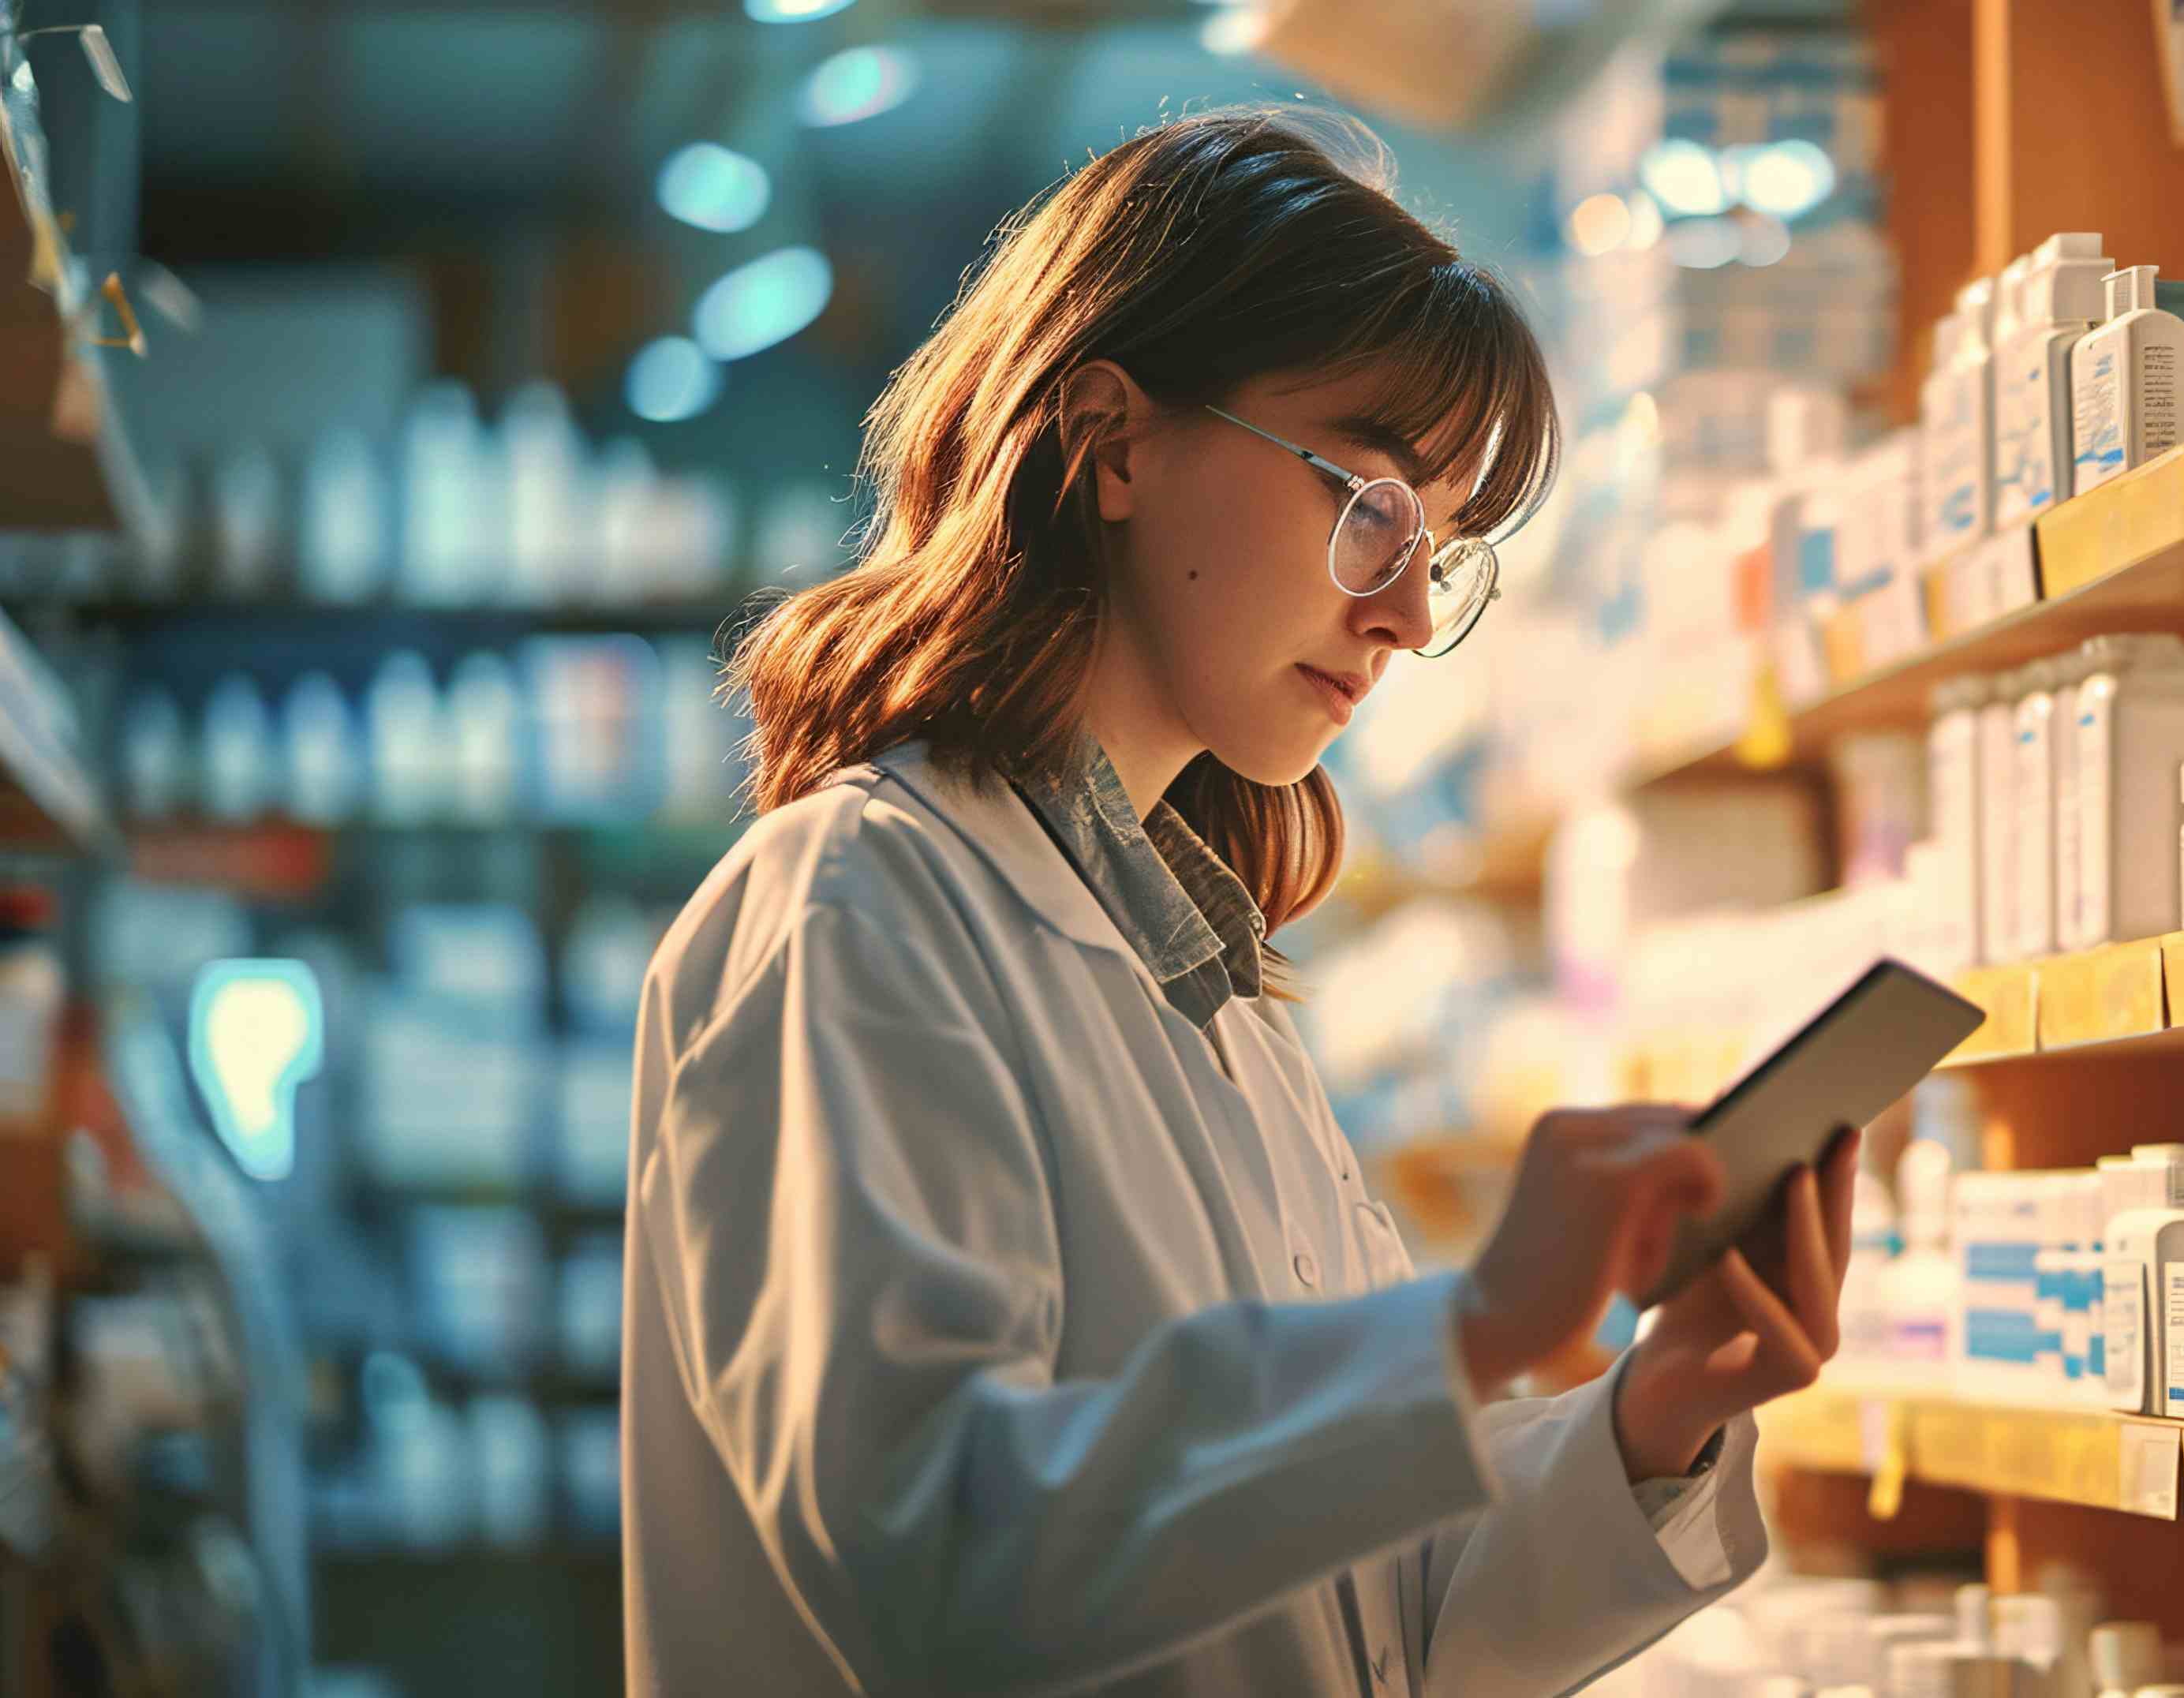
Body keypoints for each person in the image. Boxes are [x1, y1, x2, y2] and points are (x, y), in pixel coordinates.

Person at [621, 109, 1860, 1696]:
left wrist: (1656, 1410)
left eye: (1442, 547)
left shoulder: (1213, 995)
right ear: (1113, 437)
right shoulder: (855, 910)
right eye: (1370, 503)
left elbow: (1376, 1620)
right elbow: (930, 1565)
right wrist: (1471, 1323)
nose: (1410, 612)